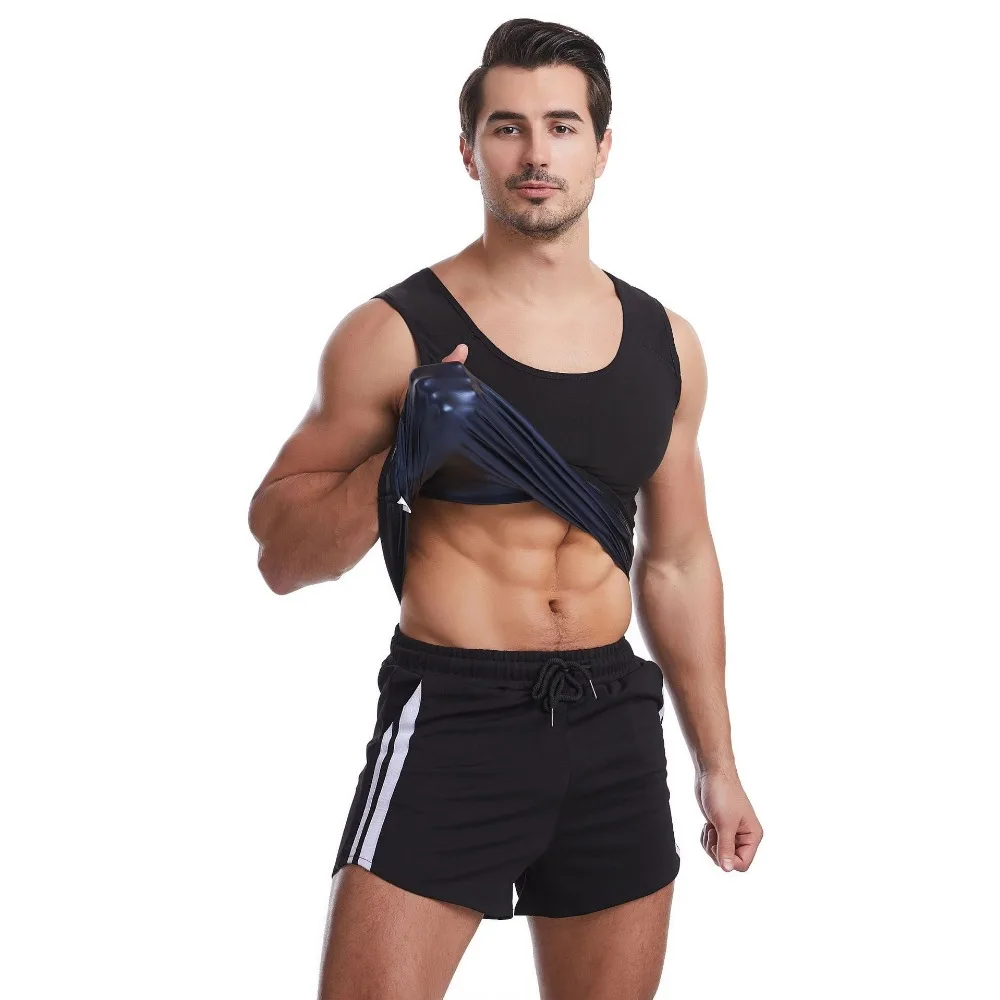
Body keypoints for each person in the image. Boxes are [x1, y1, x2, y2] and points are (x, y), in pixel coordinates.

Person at [248, 17, 762, 1000]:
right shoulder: (394, 331)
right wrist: (402, 456)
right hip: (457, 715)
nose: (535, 154)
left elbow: (677, 562)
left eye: (562, 127)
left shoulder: (666, 342)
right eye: (508, 127)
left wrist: (718, 762)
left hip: (613, 722)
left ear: (602, 149)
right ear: (468, 150)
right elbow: (281, 557)